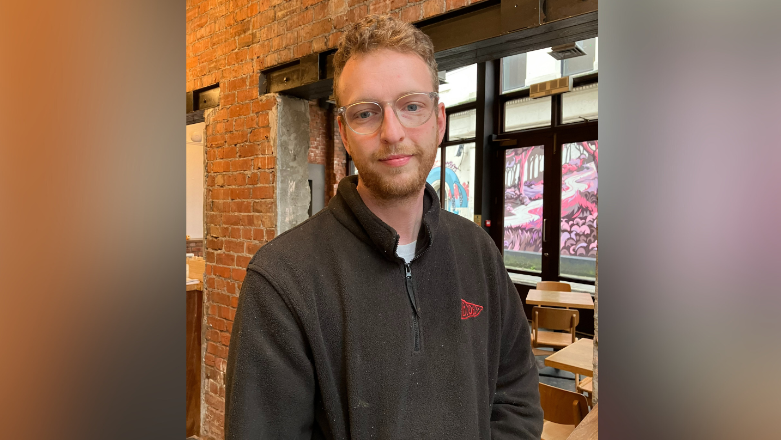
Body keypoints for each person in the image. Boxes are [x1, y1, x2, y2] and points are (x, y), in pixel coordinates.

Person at [225, 15, 543, 439]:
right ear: (344, 131)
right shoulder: (282, 281)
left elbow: (516, 397)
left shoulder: (478, 252)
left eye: (412, 106)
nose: (392, 132)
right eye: (366, 113)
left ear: (439, 120)